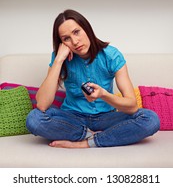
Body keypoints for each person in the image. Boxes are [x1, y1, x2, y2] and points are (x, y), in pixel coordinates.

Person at [26, 9, 160, 148]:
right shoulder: (60, 58)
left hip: (107, 118)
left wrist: (103, 94)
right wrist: (59, 59)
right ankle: (91, 134)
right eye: (66, 38)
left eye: (76, 32)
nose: (75, 41)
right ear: (62, 43)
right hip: (72, 119)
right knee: (34, 119)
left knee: (150, 119)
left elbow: (132, 106)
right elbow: (42, 104)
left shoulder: (111, 55)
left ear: (86, 28)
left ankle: (87, 142)